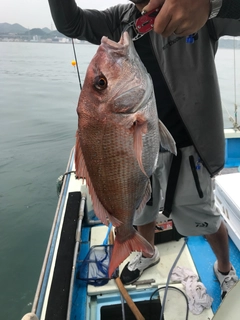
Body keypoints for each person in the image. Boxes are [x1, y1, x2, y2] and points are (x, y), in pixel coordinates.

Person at [48, 0, 240, 299]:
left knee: (204, 215)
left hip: (189, 143)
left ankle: (225, 268)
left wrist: (212, 3)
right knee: (140, 209)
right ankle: (146, 252)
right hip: (131, 144)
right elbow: (71, 24)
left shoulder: (195, 8)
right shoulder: (120, 19)